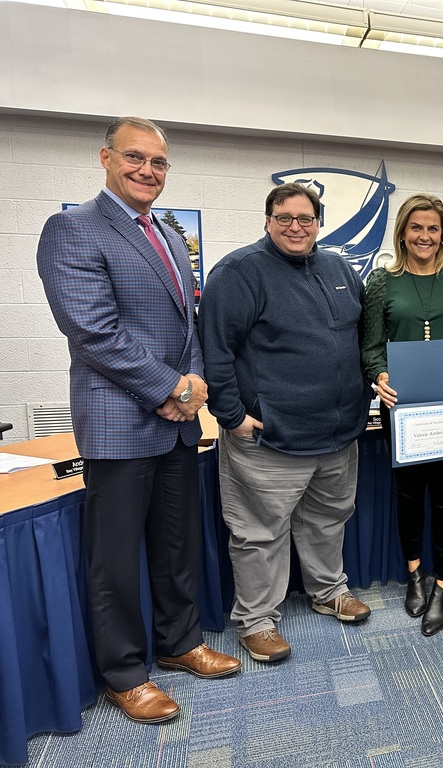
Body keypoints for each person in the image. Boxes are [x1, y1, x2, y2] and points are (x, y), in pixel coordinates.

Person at [35, 116, 240, 725]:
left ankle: (179, 644)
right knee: (116, 557)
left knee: (175, 546)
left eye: (158, 162)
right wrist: (169, 387)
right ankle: (125, 673)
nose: (148, 170)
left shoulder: (170, 235)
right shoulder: (72, 229)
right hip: (119, 421)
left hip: (178, 420)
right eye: (135, 157)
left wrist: (194, 384)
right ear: (105, 158)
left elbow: (186, 322)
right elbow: (92, 330)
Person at [199, 183, 373, 664]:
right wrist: (232, 417)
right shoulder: (239, 273)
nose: (295, 226)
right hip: (268, 438)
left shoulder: (339, 268)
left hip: (337, 435)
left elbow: (356, 339)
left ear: (319, 222)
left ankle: (328, 591)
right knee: (258, 533)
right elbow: (216, 352)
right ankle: (256, 621)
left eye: (305, 218)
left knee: (328, 520)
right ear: (268, 220)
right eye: (284, 217)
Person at [360, 193, 443, 636]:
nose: (425, 236)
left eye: (433, 228)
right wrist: (378, 374)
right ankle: (414, 572)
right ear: (402, 232)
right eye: (416, 227)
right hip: (401, 406)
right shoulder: (383, 281)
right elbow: (370, 344)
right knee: (409, 493)